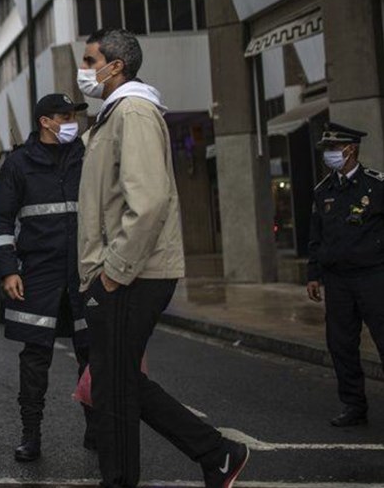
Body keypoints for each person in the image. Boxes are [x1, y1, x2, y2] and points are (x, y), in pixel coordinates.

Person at [77, 29, 247, 488]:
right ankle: (218, 453)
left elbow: (148, 201)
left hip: (132, 273)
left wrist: (113, 273)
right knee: (118, 380)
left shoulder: (132, 111)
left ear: (116, 66)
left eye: (90, 61)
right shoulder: (114, 114)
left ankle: (125, 479)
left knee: (113, 387)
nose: (85, 70)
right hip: (125, 271)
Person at [0, 93, 92, 462]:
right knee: (35, 357)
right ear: (45, 121)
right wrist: (7, 270)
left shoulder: (86, 155)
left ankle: (95, 430)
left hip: (85, 271)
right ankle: (30, 436)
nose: (72, 121)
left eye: (73, 115)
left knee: (91, 352)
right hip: (39, 273)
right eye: (64, 115)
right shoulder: (18, 163)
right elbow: (0, 221)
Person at [306, 122, 384, 427]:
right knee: (341, 345)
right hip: (337, 281)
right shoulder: (322, 190)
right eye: (327, 149)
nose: (329, 154)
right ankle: (353, 405)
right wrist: (313, 274)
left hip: (373, 277)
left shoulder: (376, 185)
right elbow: (316, 237)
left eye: (333, 149)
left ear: (350, 149)